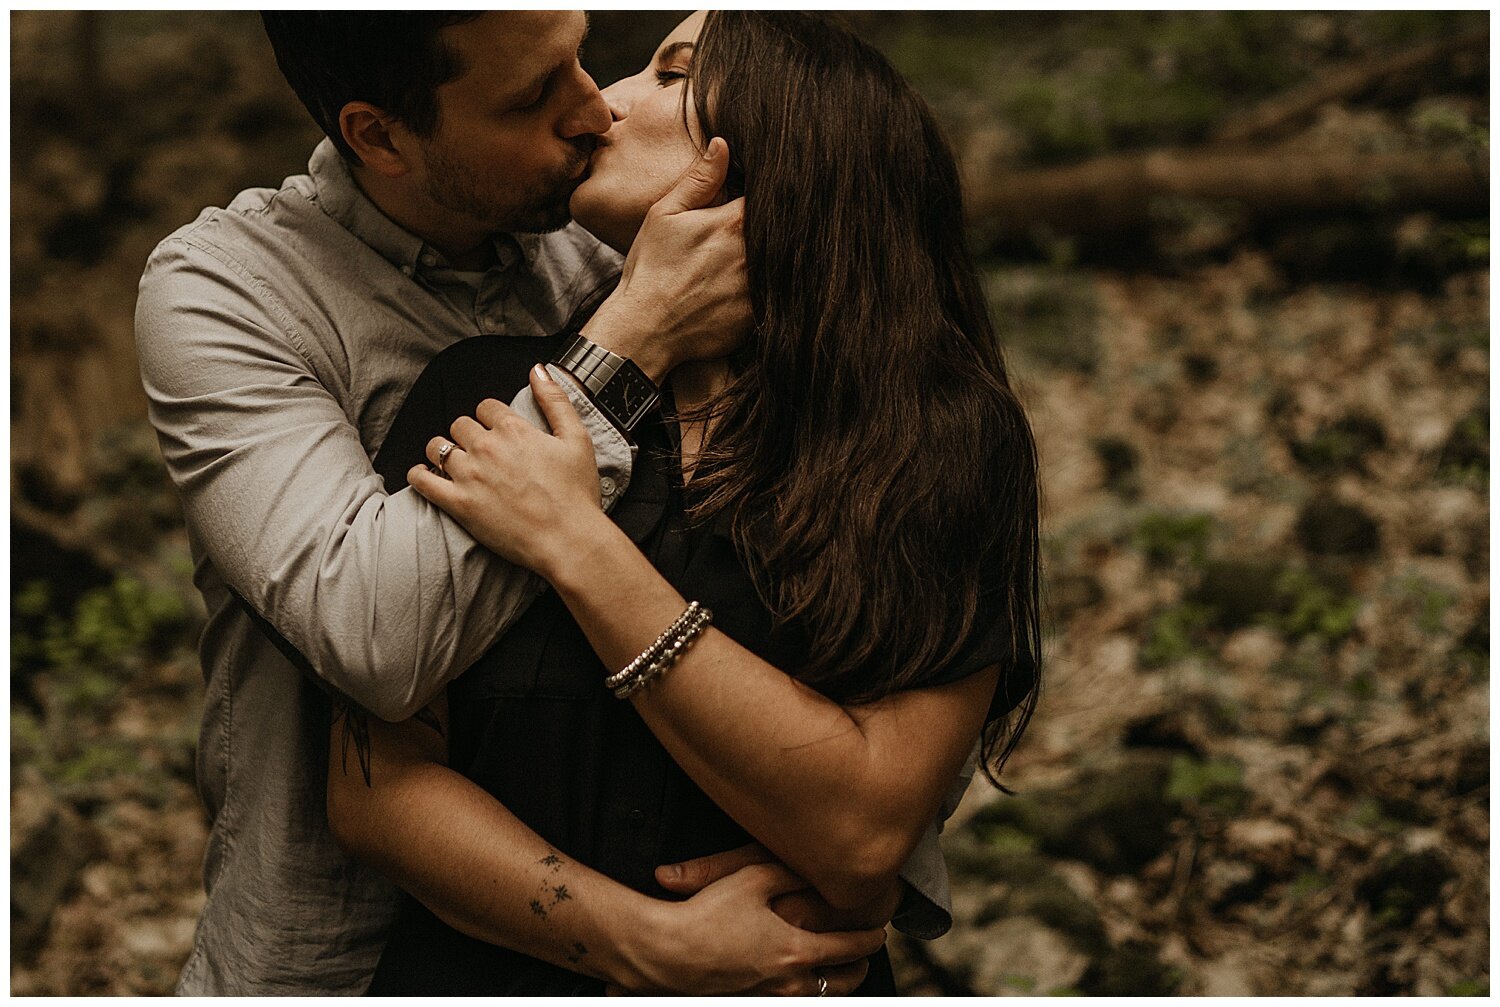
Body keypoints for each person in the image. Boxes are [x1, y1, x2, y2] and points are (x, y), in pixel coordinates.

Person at [135, 12, 960, 995]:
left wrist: (847, 868)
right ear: (380, 135)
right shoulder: (230, 292)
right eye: (530, 96)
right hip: (337, 952)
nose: (592, 108)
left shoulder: (618, 233)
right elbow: (374, 640)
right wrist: (633, 336)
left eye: (578, 53)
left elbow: (857, 529)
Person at [326, 11, 1042, 996]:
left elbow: (865, 833)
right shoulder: (490, 397)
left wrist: (577, 544)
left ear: (799, 135)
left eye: (669, 73)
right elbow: (374, 788)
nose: (598, 108)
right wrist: (646, 941)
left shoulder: (938, 439)